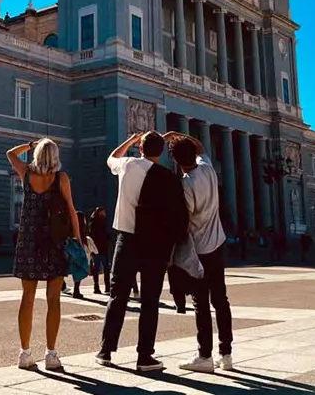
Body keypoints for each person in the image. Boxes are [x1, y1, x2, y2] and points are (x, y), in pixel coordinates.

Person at [96, 132, 188, 373]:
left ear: (140, 148)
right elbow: (177, 214)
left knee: (117, 296)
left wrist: (130, 141)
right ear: (161, 151)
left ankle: (105, 351)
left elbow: (111, 158)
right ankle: (144, 356)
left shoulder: (126, 164)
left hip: (126, 240)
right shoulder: (168, 177)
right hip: (155, 244)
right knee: (150, 301)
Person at [7, 138, 81, 371]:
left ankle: (24, 353)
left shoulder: (26, 174)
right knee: (53, 299)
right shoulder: (61, 178)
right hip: (54, 243)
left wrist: (30, 144)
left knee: (27, 298)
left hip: (28, 241)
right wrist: (78, 239)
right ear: (56, 156)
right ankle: (51, 354)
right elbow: (71, 210)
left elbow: (10, 153)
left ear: (37, 155)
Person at [166, 133, 234, 374]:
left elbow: (186, 216)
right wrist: (181, 137)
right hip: (217, 243)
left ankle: (204, 355)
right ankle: (226, 354)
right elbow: (203, 147)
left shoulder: (186, 183)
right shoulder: (208, 170)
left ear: (175, 160)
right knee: (221, 300)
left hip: (199, 249)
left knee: (201, 303)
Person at [71, 212, 94, 299]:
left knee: (76, 271)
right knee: (79, 271)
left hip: (74, 251)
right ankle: (76, 290)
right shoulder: (80, 228)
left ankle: (74, 289)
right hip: (79, 251)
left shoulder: (73, 227)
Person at [88, 207, 111, 295]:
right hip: (101, 249)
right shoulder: (99, 222)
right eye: (103, 212)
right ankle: (107, 287)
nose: (105, 214)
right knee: (105, 269)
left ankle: (97, 286)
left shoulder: (93, 222)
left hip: (97, 249)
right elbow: (101, 236)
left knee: (96, 269)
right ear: (100, 213)